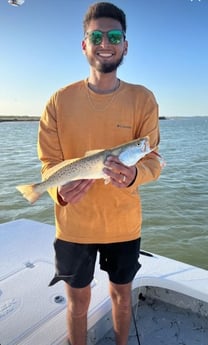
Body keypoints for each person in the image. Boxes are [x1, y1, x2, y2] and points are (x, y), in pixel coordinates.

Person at [38, 2, 162, 345]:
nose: (105, 42)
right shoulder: (58, 101)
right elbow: (49, 163)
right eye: (96, 35)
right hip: (73, 225)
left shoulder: (144, 99)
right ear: (84, 44)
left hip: (124, 224)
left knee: (122, 296)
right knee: (78, 302)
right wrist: (57, 192)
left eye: (114, 35)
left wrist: (134, 176)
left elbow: (153, 160)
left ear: (125, 44)